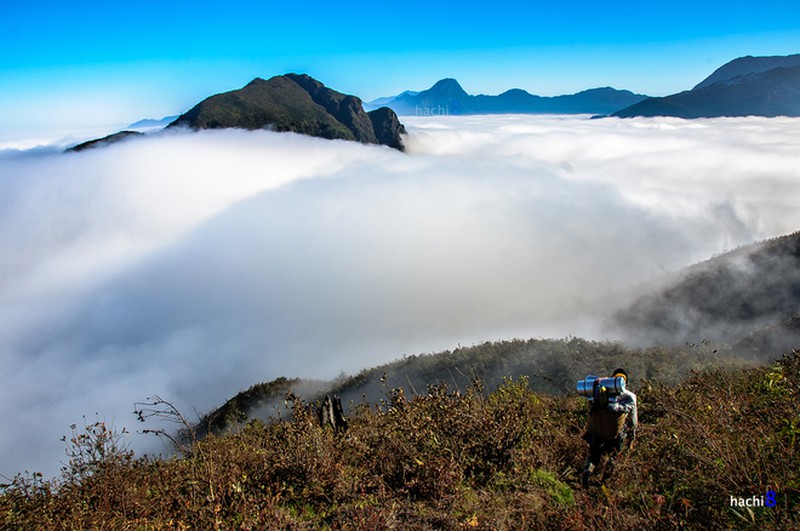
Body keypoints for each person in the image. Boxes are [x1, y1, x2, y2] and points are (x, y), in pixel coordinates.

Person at [581, 368, 638, 488]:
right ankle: (604, 483)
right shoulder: (630, 396)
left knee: (593, 454)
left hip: (598, 430)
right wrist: (632, 436)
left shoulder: (600, 392)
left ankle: (588, 471)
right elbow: (633, 421)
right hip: (616, 434)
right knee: (613, 457)